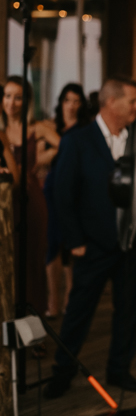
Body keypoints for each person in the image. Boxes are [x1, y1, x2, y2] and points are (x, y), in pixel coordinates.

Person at [44, 76, 136, 399]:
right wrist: (75, 241)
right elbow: (63, 194)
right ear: (111, 102)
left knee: (128, 310)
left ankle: (119, 368)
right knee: (79, 311)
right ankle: (63, 370)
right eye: (132, 101)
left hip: (129, 243)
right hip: (92, 244)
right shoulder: (78, 140)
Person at [1, 76, 61, 317]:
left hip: (31, 198)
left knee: (34, 261)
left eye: (17, 97)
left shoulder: (36, 127)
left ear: (26, 101)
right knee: (10, 261)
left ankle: (35, 324)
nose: (11, 103)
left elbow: (66, 146)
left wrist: (44, 158)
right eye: (7, 96)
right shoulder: (2, 132)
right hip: (5, 201)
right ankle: (12, 322)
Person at [43, 83, 90, 318]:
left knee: (71, 247)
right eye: (67, 100)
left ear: (81, 105)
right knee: (52, 246)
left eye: (76, 101)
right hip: (50, 190)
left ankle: (70, 302)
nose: (71, 105)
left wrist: (54, 149)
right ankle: (53, 301)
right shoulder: (53, 127)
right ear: (61, 102)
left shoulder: (82, 130)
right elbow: (39, 158)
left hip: (74, 193)